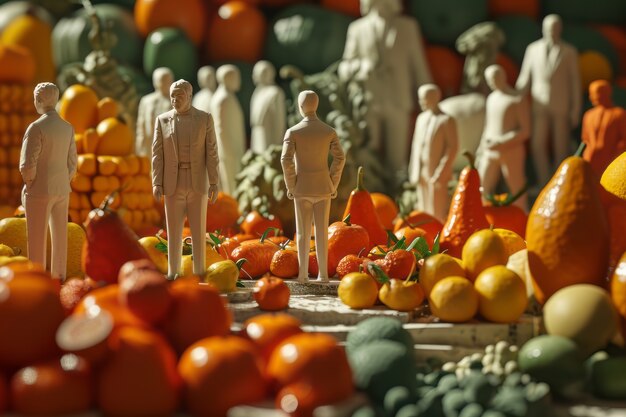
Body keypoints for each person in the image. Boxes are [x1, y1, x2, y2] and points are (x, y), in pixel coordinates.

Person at [341, 0, 431, 182]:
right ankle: (368, 194)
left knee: (397, 158)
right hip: (369, 101)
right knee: (368, 154)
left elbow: (418, 64)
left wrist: (428, 92)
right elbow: (344, 68)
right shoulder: (357, 29)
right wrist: (360, 67)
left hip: (399, 99)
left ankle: (397, 198)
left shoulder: (407, 27)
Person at [152, 79, 219, 279]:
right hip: (173, 183)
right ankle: (173, 272)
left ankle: (199, 272)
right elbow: (157, 153)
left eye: (179, 96)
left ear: (189, 96)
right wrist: (157, 182)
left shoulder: (204, 119)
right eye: (172, 96)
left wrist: (214, 182)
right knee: (173, 232)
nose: (174, 100)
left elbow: (212, 152)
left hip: (197, 182)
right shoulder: (162, 120)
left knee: (198, 232)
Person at [281, 90, 345, 283]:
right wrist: (333, 182)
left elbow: (285, 160)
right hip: (323, 188)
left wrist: (291, 185)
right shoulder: (328, 131)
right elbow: (340, 157)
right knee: (322, 233)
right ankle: (323, 274)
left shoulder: (293, 132)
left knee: (302, 234)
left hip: (302, 188)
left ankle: (302, 275)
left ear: (301, 107)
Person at [19, 82, 77, 281]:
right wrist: (64, 179)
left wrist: (29, 182)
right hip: (62, 188)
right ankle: (59, 276)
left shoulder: (36, 128)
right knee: (60, 236)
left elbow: (27, 164)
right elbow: (72, 163)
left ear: (39, 101)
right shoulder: (67, 128)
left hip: (40, 189)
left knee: (36, 237)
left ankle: (38, 278)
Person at [516, 14, 581, 186]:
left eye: (555, 28)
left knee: (561, 147)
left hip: (561, 105)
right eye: (549, 28)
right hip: (540, 105)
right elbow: (524, 79)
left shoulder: (569, 51)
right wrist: (513, 96)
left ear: (560, 29)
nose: (552, 31)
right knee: (537, 145)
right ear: (543, 29)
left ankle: (559, 183)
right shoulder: (533, 49)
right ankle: (544, 182)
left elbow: (575, 82)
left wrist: (575, 109)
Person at [476, 65, 531, 210]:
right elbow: (487, 126)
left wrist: (501, 142)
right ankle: (481, 215)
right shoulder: (491, 98)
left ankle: (523, 217)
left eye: (495, 78)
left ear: (503, 76)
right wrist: (481, 147)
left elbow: (525, 131)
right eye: (489, 80)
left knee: (516, 187)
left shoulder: (517, 100)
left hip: (511, 151)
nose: (492, 82)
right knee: (482, 185)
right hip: (489, 151)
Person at [408, 84, 458, 221]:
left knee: (437, 208)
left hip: (436, 171)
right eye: (420, 99)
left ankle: (438, 235)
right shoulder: (421, 118)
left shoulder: (446, 120)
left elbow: (452, 147)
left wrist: (441, 171)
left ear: (435, 97)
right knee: (423, 205)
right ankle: (425, 231)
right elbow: (415, 145)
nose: (421, 102)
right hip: (421, 170)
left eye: (424, 99)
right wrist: (414, 169)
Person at [210, 65, 246, 196]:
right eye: (236, 78)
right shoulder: (223, 99)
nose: (239, 81)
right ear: (227, 78)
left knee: (231, 180)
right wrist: (229, 150)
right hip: (228, 149)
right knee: (230, 181)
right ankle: (232, 208)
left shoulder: (227, 96)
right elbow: (220, 128)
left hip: (231, 147)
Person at [581, 80, 626, 178]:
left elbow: (624, 139)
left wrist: (616, 157)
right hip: (591, 160)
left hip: (611, 160)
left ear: (607, 93)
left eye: (596, 93)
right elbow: (585, 139)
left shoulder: (619, 114)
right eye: (591, 94)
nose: (592, 97)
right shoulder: (588, 115)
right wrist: (587, 154)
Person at [250, 60, 286, 154]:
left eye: (262, 73)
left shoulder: (275, 92)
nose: (257, 76)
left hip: (269, 134)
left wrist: (277, 143)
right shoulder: (257, 92)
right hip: (257, 132)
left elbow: (279, 120)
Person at [136, 67, 174, 157]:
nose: (166, 83)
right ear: (155, 82)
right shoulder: (146, 101)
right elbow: (141, 124)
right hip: (150, 142)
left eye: (168, 80)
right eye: (162, 80)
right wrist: (140, 143)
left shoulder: (176, 102)